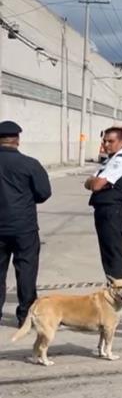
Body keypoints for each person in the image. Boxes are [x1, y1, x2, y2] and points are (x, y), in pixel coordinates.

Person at [0, 121, 52, 327]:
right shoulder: (30, 164)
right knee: (26, 271)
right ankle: (25, 316)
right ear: (18, 140)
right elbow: (43, 193)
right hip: (24, 227)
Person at [84, 127, 122, 279]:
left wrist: (96, 182)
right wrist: (95, 182)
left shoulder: (120, 159)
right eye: (104, 141)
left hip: (113, 212)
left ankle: (120, 293)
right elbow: (89, 183)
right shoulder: (109, 160)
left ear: (121, 142)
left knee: (114, 256)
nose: (106, 144)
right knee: (107, 256)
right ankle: (113, 290)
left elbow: (96, 185)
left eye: (111, 141)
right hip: (104, 211)